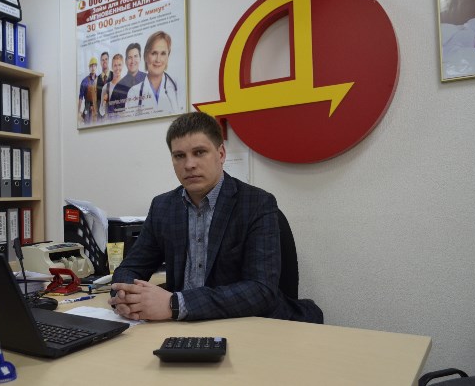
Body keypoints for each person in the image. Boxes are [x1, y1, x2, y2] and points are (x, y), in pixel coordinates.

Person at [109, 112, 323, 323]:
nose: (189, 164)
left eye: (199, 152)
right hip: (181, 329)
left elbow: (261, 290)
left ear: (221, 154)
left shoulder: (257, 203)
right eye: (179, 156)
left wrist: (174, 304)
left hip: (242, 325)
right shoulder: (163, 206)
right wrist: (126, 297)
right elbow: (130, 268)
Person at [125, 31, 183, 115]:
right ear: (145, 56)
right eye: (154, 53)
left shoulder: (178, 86)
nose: (158, 59)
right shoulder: (133, 92)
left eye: (163, 53)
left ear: (168, 56)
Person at [108, 43, 146, 113]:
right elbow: (111, 112)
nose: (132, 61)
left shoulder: (148, 79)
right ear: (125, 61)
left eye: (135, 56)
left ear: (140, 58)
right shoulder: (118, 87)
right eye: (130, 57)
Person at [99, 54, 124, 119]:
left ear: (123, 65)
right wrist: (104, 102)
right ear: (112, 67)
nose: (117, 68)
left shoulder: (128, 86)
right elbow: (101, 112)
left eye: (119, 65)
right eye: (115, 65)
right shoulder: (106, 87)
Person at [78, 56, 98, 124]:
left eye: (94, 66)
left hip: (97, 107)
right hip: (87, 107)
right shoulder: (84, 81)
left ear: (96, 67)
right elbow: (80, 98)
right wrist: (78, 112)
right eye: (91, 66)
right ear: (89, 67)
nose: (93, 68)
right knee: (87, 124)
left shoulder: (99, 80)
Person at [95, 51, 113, 120]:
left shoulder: (114, 76)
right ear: (100, 62)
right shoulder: (96, 79)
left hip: (112, 113)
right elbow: (96, 98)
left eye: (106, 59)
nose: (104, 61)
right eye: (102, 60)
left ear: (108, 60)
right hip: (100, 116)